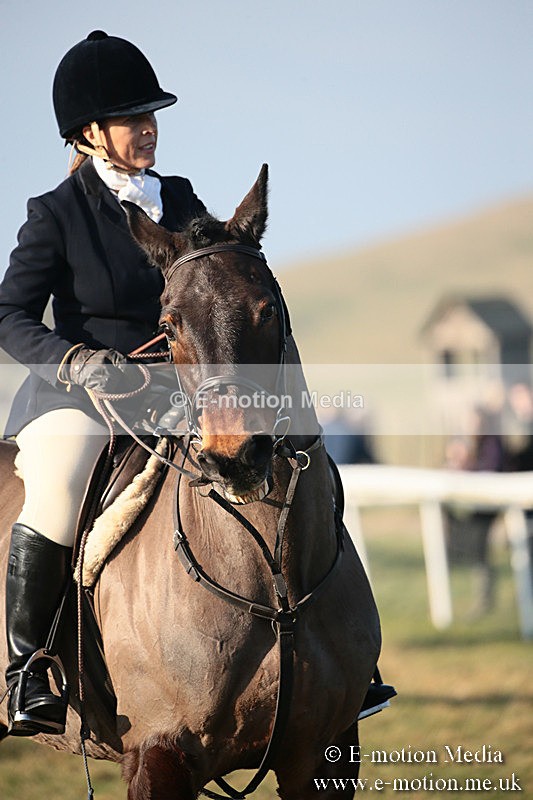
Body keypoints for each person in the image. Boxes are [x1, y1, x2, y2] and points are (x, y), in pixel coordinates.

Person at [0, 30, 206, 736]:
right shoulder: (55, 213)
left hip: (176, 391)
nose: (147, 127)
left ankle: (336, 650)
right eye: (130, 117)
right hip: (78, 396)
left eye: (151, 114)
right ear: (89, 134)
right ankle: (29, 668)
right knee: (61, 480)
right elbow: (10, 314)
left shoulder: (178, 199)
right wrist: (76, 361)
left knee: (281, 452)